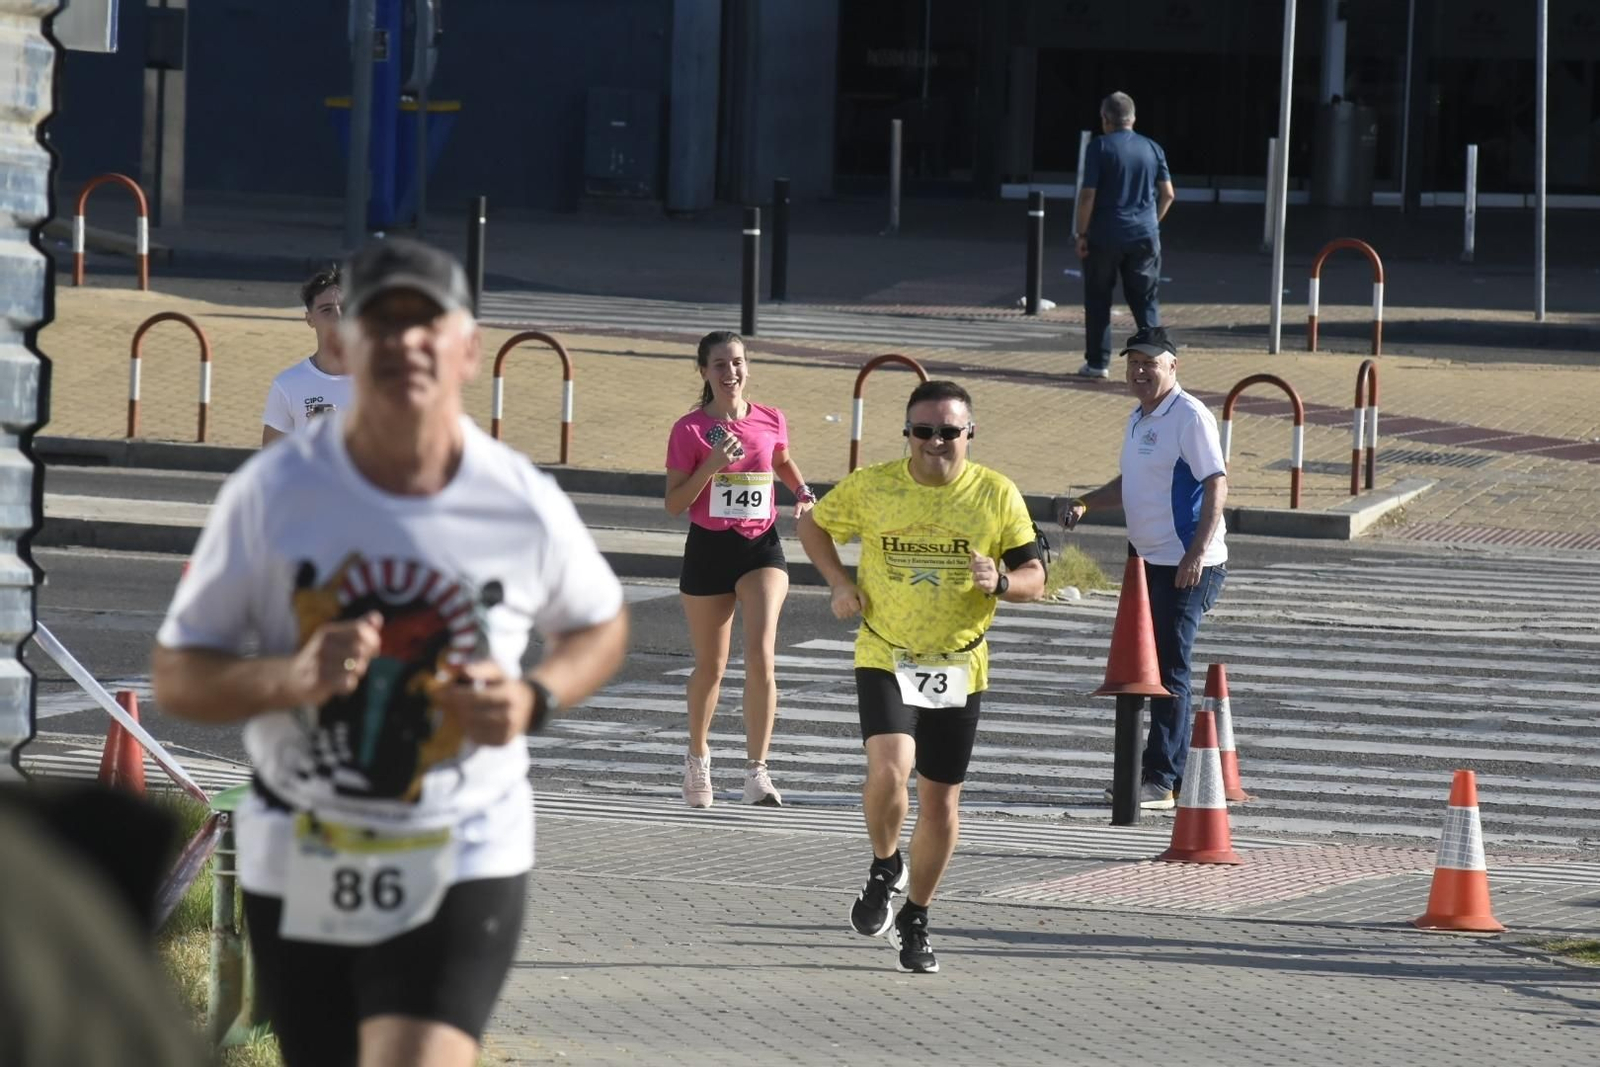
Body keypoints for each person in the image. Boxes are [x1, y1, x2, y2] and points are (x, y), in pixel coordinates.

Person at [152, 237, 629, 1067]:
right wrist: (293, 676)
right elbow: (179, 675)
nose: (406, 343)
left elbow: (599, 623)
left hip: (464, 846)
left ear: (469, 350)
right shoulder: (273, 495)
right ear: (347, 343)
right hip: (304, 844)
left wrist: (532, 698)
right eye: (382, 322)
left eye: (429, 324)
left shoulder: (516, 499)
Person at [797, 380, 1046, 974]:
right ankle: (886, 862)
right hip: (886, 652)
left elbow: (1036, 575)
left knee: (940, 805)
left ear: (970, 435)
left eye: (949, 432)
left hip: (959, 662)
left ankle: (916, 916)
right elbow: (812, 525)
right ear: (907, 433)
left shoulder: (996, 494)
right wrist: (838, 581)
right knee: (889, 771)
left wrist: (1003, 584)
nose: (936, 443)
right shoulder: (874, 485)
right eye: (923, 431)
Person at [1057, 327, 1227, 809]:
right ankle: (1156, 771)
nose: (1140, 370)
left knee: (1170, 668)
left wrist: (1195, 554)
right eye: (1133, 361)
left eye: (1151, 362)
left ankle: (1162, 779)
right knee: (1148, 667)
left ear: (1173, 367)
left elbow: (1217, 484)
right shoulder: (1139, 417)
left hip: (1187, 563)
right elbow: (1130, 483)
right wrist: (1086, 503)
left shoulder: (1189, 416)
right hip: (1146, 561)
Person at [665, 330, 816, 808]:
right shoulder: (688, 430)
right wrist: (710, 464)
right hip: (709, 547)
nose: (732, 373)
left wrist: (803, 492)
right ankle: (697, 758)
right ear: (704, 373)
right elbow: (674, 504)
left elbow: (783, 461)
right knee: (711, 666)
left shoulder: (770, 418)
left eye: (738, 363)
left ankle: (757, 772)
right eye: (721, 366)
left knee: (761, 655)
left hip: (760, 547)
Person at [1074, 91, 1175, 381]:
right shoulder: (1153, 148)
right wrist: (1150, 222)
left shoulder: (1100, 147)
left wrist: (1081, 233)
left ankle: (1097, 363)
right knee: (1145, 301)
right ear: (1132, 119)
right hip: (1144, 236)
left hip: (1104, 235)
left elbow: (1088, 196)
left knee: (1098, 298)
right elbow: (1168, 194)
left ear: (1106, 119)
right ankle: (1159, 363)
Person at [262, 265, 353, 445]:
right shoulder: (289, 384)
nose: (338, 318)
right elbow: (273, 462)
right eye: (326, 310)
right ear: (310, 319)